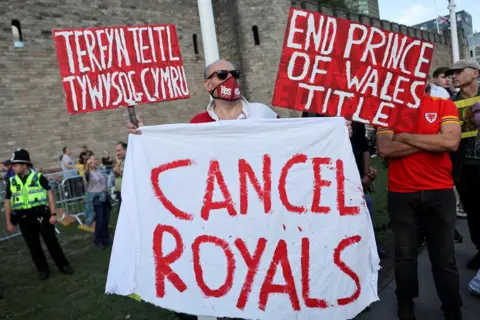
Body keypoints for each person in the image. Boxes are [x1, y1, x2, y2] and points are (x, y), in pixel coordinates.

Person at [127, 59, 352, 320]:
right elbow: (181, 168)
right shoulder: (197, 124)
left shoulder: (262, 114)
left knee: (266, 287)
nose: (231, 79)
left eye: (235, 73)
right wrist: (145, 140)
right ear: (208, 84)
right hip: (220, 222)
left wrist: (333, 132)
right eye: (222, 74)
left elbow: (294, 144)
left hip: (263, 218)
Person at [376, 92, 462, 319]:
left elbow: (451, 142)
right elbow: (385, 149)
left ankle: (452, 308)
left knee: (445, 257)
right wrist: (432, 140)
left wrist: (403, 136)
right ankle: (405, 304)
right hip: (402, 194)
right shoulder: (387, 109)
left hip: (440, 193)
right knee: (405, 255)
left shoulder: (443, 104)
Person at [4, 149, 74, 280]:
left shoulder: (38, 177)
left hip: (42, 215)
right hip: (24, 218)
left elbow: (50, 194)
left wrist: (53, 214)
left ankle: (63, 265)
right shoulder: (11, 181)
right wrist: (8, 222)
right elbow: (7, 202)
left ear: (25, 165)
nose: (13, 167)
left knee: (52, 242)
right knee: (33, 246)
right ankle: (43, 269)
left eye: (16, 164)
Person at [446, 58, 480, 270]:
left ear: (475, 73)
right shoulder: (448, 104)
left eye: (459, 71)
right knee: (474, 213)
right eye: (452, 73)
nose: (454, 76)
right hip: (464, 167)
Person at [84, 155, 111, 248]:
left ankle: (105, 238)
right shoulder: (89, 174)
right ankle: (97, 240)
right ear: (89, 163)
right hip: (96, 199)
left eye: (96, 159)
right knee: (100, 220)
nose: (96, 161)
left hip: (104, 197)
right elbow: (86, 174)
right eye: (93, 160)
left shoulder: (99, 171)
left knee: (106, 219)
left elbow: (104, 184)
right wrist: (87, 165)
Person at [114, 142, 127, 208]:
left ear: (125, 150)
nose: (117, 153)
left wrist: (118, 171)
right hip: (120, 192)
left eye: (119, 150)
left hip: (127, 192)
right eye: (116, 151)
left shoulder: (128, 161)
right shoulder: (120, 161)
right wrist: (118, 164)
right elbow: (116, 175)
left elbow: (128, 177)